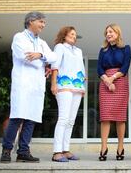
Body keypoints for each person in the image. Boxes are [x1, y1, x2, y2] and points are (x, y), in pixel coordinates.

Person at [0, 11, 57, 163]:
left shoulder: (42, 43)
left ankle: (23, 152)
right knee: (17, 117)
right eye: (41, 22)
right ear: (31, 21)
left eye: (44, 23)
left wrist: (41, 55)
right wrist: (43, 61)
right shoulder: (19, 37)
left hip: (36, 86)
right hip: (23, 84)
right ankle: (6, 150)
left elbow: (54, 56)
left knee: (31, 119)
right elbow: (25, 57)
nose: (43, 25)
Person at [50, 26, 86, 162]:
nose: (74, 36)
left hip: (77, 86)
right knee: (63, 119)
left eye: (75, 35)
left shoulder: (78, 51)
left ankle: (65, 150)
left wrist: (83, 87)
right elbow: (55, 66)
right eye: (71, 34)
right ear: (64, 35)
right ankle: (57, 152)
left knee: (71, 121)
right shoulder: (60, 47)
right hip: (63, 86)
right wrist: (53, 84)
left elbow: (81, 70)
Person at [97, 24, 131, 161]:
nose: (108, 34)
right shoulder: (103, 50)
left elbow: (125, 66)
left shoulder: (125, 48)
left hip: (120, 81)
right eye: (107, 32)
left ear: (117, 33)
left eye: (111, 31)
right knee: (105, 117)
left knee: (120, 117)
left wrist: (112, 78)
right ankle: (103, 147)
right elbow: (99, 68)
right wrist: (107, 81)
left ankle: (120, 147)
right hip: (105, 82)